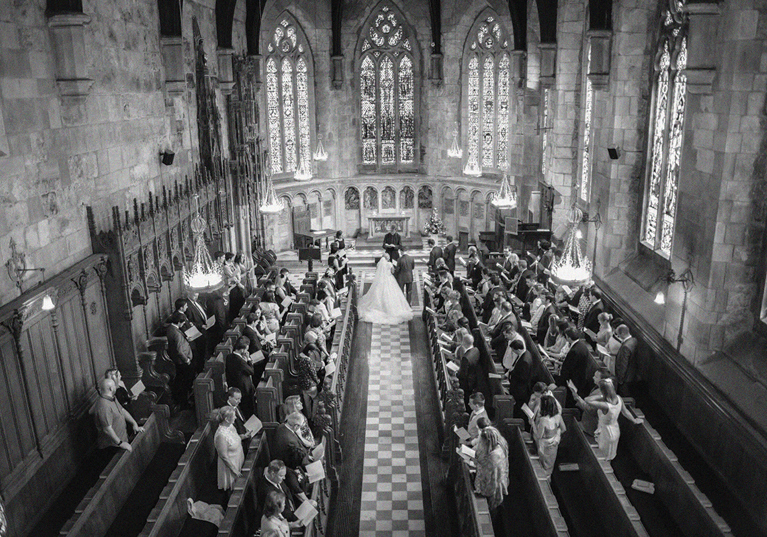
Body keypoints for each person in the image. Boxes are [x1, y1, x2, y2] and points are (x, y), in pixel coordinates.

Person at [568, 378, 642, 461]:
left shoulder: (605, 405)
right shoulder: (618, 398)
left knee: (603, 456)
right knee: (609, 454)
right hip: (614, 429)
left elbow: (587, 400)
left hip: (606, 432)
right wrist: (634, 420)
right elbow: (625, 412)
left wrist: (602, 395)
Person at [358, 252, 413, 324]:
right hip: (389, 279)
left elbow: (378, 272)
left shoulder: (379, 264)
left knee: (380, 293)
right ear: (388, 258)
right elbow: (393, 271)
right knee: (391, 293)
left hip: (381, 281)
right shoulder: (389, 264)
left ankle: (381, 308)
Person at [94, 377, 144, 452]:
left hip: (122, 439)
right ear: (110, 389)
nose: (116, 387)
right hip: (112, 446)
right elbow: (107, 429)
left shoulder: (112, 397)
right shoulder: (104, 406)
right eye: (114, 385)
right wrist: (120, 443)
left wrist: (134, 423)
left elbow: (122, 410)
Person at [473, 425, 509, 511]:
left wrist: (476, 461)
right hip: (497, 478)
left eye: (483, 442)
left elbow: (486, 470)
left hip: (494, 483)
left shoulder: (495, 455)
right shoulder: (498, 442)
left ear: (488, 441)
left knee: (492, 505)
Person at [532, 394, 566, 478]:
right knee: (550, 465)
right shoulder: (558, 416)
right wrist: (557, 435)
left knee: (544, 465)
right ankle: (548, 479)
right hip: (554, 444)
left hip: (545, 445)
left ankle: (545, 481)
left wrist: (533, 424)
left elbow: (539, 436)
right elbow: (563, 429)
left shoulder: (543, 420)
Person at [166, 312, 195, 407]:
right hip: (182, 362)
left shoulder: (171, 328)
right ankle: (184, 402)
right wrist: (187, 360)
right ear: (179, 322)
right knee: (185, 382)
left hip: (178, 360)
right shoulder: (176, 333)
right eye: (182, 323)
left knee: (181, 380)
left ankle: (182, 399)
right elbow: (179, 350)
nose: (183, 325)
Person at [574, 366, 612, 437]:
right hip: (586, 421)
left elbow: (591, 410)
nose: (593, 377)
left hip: (590, 426)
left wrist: (578, 399)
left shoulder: (602, 393)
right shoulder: (598, 388)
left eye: (596, 376)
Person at [214, 406, 245, 491]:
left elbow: (233, 439)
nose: (235, 418)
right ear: (227, 419)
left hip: (238, 459)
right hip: (230, 466)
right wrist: (234, 470)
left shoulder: (230, 426)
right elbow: (223, 456)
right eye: (234, 416)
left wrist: (243, 436)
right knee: (234, 488)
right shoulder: (221, 435)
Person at [225, 337, 255, 418]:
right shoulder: (240, 361)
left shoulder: (229, 357)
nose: (247, 351)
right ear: (242, 350)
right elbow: (251, 371)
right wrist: (249, 360)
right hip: (244, 390)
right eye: (246, 350)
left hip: (235, 386)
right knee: (247, 410)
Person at [456, 333, 480, 409]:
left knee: (466, 399)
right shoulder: (476, 350)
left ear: (464, 343)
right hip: (474, 378)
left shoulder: (465, 358)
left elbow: (463, 375)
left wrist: (457, 373)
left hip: (467, 383)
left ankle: (467, 411)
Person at [614, 324, 639, 396]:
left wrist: (620, 380)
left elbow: (623, 365)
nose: (618, 337)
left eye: (618, 335)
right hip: (632, 375)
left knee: (624, 395)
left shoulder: (626, 347)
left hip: (626, 379)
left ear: (622, 333)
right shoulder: (634, 340)